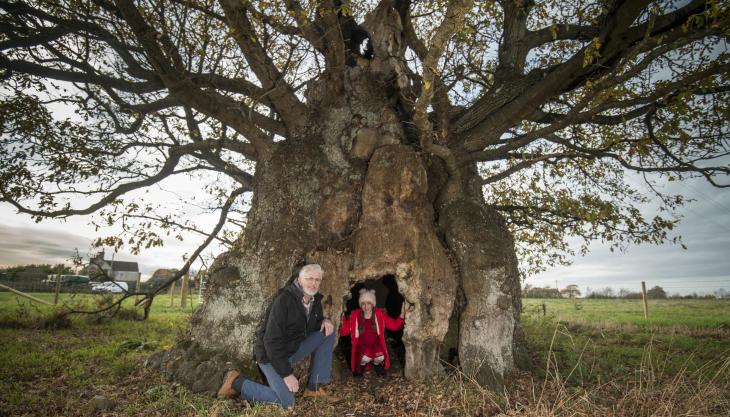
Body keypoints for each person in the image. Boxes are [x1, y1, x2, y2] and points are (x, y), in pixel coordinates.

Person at [217, 264, 336, 408]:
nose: (313, 283)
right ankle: (237, 383)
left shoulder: (314, 300)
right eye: (309, 278)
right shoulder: (284, 300)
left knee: (328, 332)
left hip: (292, 349)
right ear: (299, 279)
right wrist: (287, 374)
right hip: (270, 355)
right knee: (287, 402)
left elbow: (312, 325)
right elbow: (271, 341)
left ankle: (314, 388)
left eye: (317, 280)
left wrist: (324, 320)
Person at [340, 288, 404, 377]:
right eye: (363, 304)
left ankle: (377, 365)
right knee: (365, 358)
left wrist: (402, 315)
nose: (366, 307)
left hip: (375, 344)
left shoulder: (379, 314)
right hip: (362, 345)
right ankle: (360, 367)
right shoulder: (355, 316)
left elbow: (394, 326)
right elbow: (344, 332)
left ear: (373, 304)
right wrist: (342, 316)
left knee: (380, 357)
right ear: (360, 305)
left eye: (369, 303)